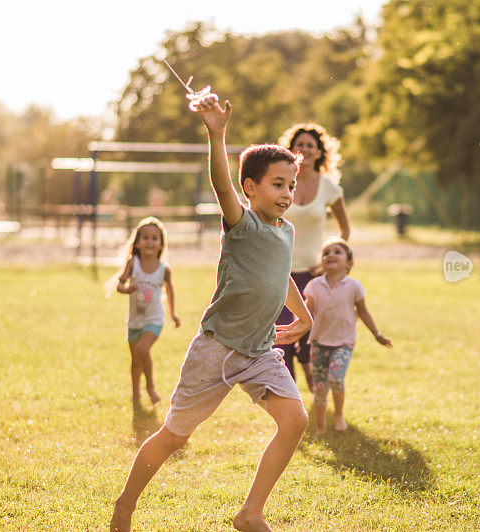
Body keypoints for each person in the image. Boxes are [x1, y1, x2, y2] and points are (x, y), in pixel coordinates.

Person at [110, 91, 313, 532]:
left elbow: (281, 281)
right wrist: (216, 133)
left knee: (295, 419)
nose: (287, 193)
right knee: (175, 437)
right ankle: (125, 505)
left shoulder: (287, 232)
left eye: (292, 185)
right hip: (216, 350)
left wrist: (304, 316)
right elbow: (221, 184)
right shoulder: (242, 224)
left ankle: (250, 512)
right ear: (251, 189)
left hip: (259, 351)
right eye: (278, 184)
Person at [275, 123, 351, 393]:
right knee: (281, 337)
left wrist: (330, 260)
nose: (304, 149)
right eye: (299, 144)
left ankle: (311, 381)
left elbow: (344, 229)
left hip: (312, 274)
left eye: (310, 145)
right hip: (279, 272)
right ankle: (289, 396)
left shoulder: (329, 188)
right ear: (291, 150)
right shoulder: (279, 183)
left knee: (309, 339)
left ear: (319, 153)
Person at [303, 237, 393, 435]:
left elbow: (363, 312)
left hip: (343, 343)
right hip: (318, 343)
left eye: (337, 252)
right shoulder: (314, 286)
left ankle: (338, 415)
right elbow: (306, 314)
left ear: (349, 263)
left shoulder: (354, 286)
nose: (330, 255)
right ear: (322, 262)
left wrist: (377, 334)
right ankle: (320, 425)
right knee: (319, 386)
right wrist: (296, 331)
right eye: (326, 253)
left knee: (336, 378)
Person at [106, 217, 181, 406]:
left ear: (161, 244)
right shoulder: (133, 263)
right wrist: (126, 289)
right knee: (135, 360)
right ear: (137, 243)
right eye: (145, 238)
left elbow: (170, 291)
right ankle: (135, 394)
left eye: (154, 238)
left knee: (143, 349)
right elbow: (120, 284)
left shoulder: (164, 269)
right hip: (135, 320)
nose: (150, 241)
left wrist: (173, 314)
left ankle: (150, 387)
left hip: (154, 319)